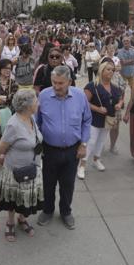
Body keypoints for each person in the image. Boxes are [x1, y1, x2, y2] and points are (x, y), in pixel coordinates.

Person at [36, 66, 91, 230]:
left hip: (72, 150)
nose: (57, 86)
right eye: (54, 82)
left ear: (69, 81)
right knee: (48, 183)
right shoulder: (44, 95)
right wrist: (37, 143)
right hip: (49, 149)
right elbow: (36, 121)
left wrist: (83, 144)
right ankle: (47, 210)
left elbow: (87, 121)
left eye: (61, 83)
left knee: (68, 184)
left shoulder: (80, 96)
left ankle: (66, 211)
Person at [0, 89, 43, 242]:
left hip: (32, 166)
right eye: (36, 101)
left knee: (25, 196)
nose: (38, 103)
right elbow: (1, 148)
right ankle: (10, 222)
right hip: (16, 169)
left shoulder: (31, 118)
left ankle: (22, 218)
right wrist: (3, 156)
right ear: (28, 106)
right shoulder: (13, 125)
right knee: (13, 198)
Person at [77, 62, 123, 179]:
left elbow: (120, 99)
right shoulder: (92, 86)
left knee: (101, 141)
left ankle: (96, 159)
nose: (111, 72)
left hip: (108, 119)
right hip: (94, 118)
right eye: (108, 69)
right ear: (101, 70)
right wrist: (98, 108)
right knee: (91, 141)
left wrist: (119, 104)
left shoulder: (114, 87)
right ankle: (82, 165)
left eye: (112, 70)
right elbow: (84, 102)